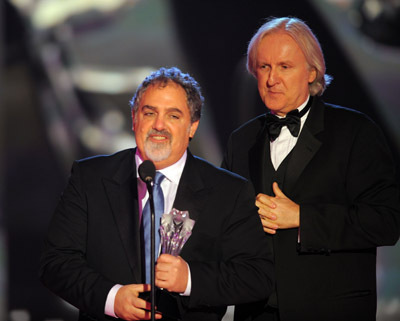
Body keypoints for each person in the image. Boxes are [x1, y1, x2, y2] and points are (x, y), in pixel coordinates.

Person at [39, 67, 274, 321]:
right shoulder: (90, 178)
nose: (159, 125)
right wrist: (111, 298)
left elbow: (257, 276)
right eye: (149, 113)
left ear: (192, 126)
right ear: (134, 118)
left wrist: (190, 280)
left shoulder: (229, 191)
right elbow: (55, 263)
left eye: (173, 116)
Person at [221, 17, 400, 321]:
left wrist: (302, 218)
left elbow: (387, 220)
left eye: (284, 67)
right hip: (256, 312)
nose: (271, 79)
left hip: (332, 309)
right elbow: (223, 221)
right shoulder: (242, 140)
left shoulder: (355, 132)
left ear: (312, 72)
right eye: (263, 67)